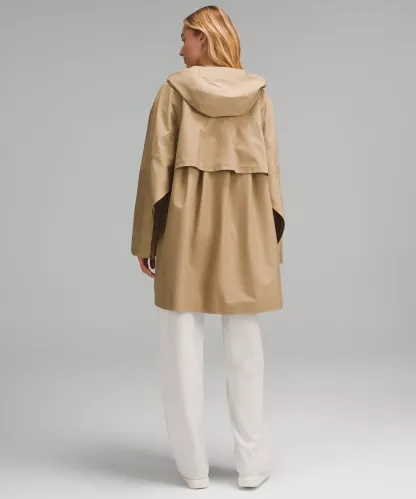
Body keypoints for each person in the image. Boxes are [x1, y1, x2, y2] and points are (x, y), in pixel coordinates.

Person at [130, 5, 285, 490]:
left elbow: (155, 168)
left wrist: (146, 238)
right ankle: (252, 464)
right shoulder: (259, 94)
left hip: (185, 224)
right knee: (246, 347)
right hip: (246, 224)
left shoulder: (173, 90)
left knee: (179, 344)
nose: (180, 49)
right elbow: (272, 173)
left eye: (185, 38)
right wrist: (272, 242)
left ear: (205, 38)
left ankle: (192, 467)